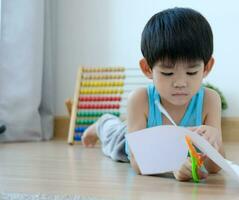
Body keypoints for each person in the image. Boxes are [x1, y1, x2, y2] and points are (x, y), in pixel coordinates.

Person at [82, 7, 224, 181]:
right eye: (167, 73)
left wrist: (214, 144)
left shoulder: (210, 100)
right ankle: (101, 124)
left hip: (161, 148)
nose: (180, 83)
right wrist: (173, 166)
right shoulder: (140, 100)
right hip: (125, 140)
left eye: (192, 72)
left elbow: (215, 168)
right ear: (147, 68)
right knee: (112, 132)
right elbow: (136, 162)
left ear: (207, 67)